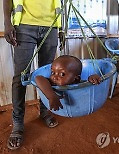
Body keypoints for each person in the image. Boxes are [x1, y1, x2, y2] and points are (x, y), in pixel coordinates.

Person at [3, 0, 64, 150]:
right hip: (24, 26)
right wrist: (7, 23)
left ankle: (45, 112)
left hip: (51, 26)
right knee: (21, 77)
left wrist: (61, 28)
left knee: (48, 75)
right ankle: (17, 123)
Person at [35, 55, 102, 111]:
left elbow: (89, 84)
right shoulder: (52, 83)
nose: (54, 77)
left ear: (76, 78)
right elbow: (38, 78)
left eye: (62, 74)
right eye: (53, 72)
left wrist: (93, 77)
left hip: (81, 108)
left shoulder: (79, 83)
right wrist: (51, 96)